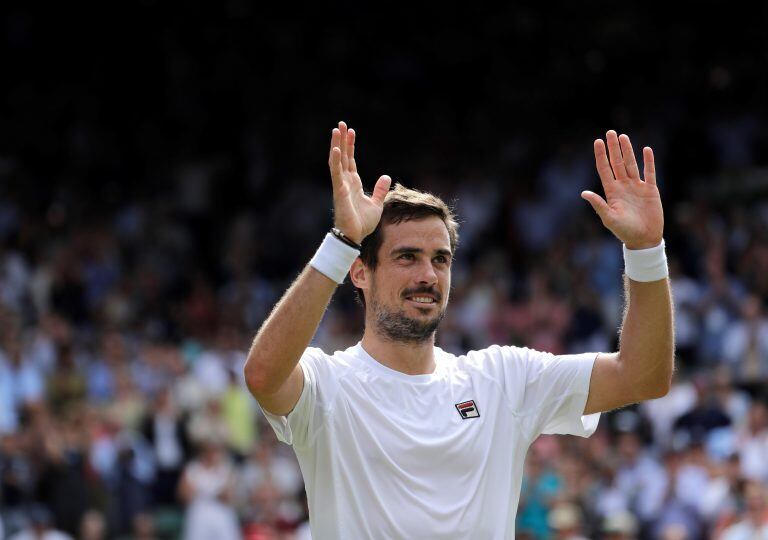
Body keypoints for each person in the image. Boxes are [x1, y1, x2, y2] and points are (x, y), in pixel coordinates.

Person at [244, 121, 674, 538]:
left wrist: (645, 251)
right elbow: (263, 376)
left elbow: (642, 376)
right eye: (407, 257)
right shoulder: (327, 385)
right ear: (358, 271)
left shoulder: (503, 378)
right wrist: (341, 242)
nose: (428, 275)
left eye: (440, 259)